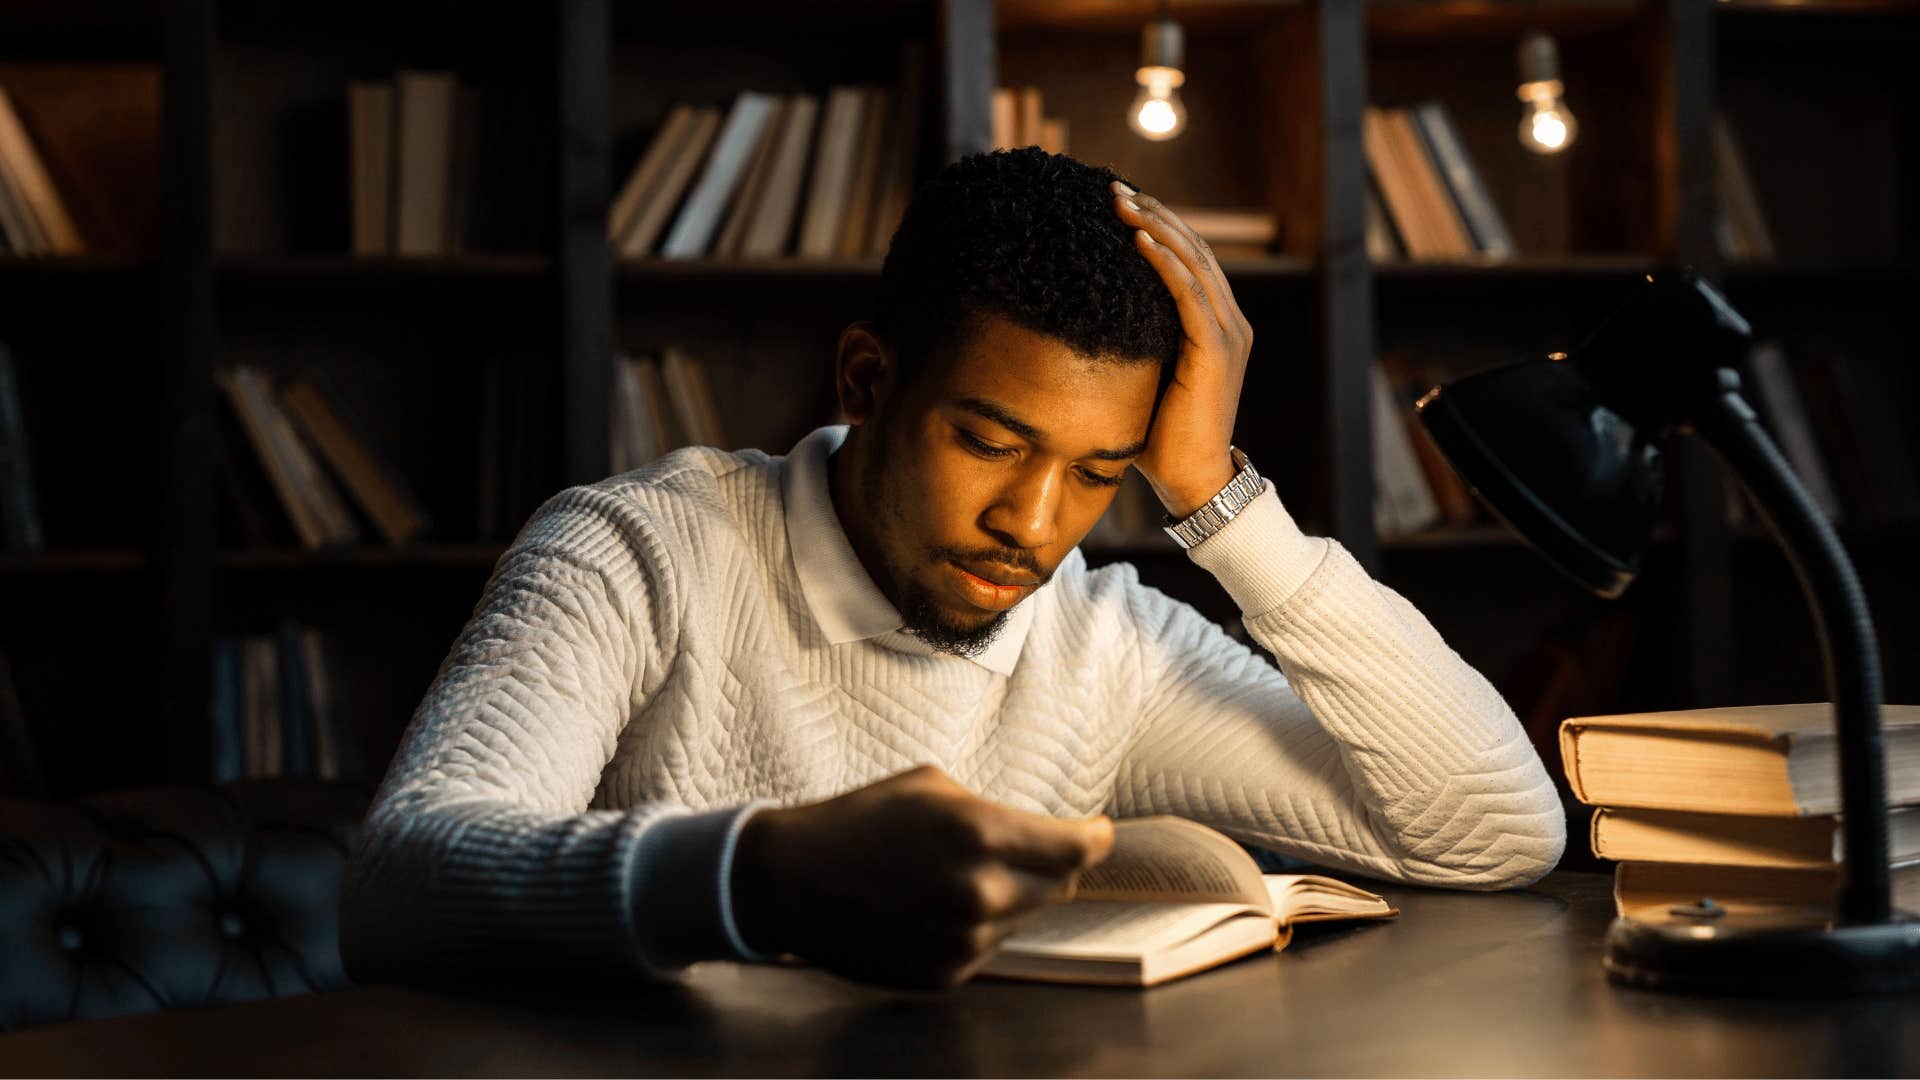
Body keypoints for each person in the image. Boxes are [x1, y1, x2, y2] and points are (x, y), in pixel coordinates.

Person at [339, 148, 1565, 991]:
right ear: (867, 381)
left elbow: (1497, 833)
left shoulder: (1100, 643)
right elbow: (397, 885)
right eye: (990, 441)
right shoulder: (642, 551)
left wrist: (1215, 499)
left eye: (1099, 471)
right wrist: (766, 878)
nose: (1033, 526)